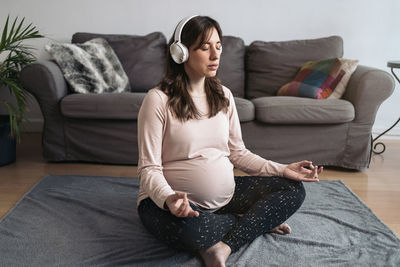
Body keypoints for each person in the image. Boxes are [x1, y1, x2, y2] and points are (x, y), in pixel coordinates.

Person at [137, 15, 323, 267]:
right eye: (205, 47)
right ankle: (252, 222)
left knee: (292, 190)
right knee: (192, 231)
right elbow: (149, 168)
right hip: (170, 205)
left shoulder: (223, 96)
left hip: (225, 198)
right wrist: (169, 198)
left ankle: (222, 246)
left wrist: (283, 169)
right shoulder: (157, 99)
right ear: (180, 52)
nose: (215, 55)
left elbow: (238, 153)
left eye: (218, 46)